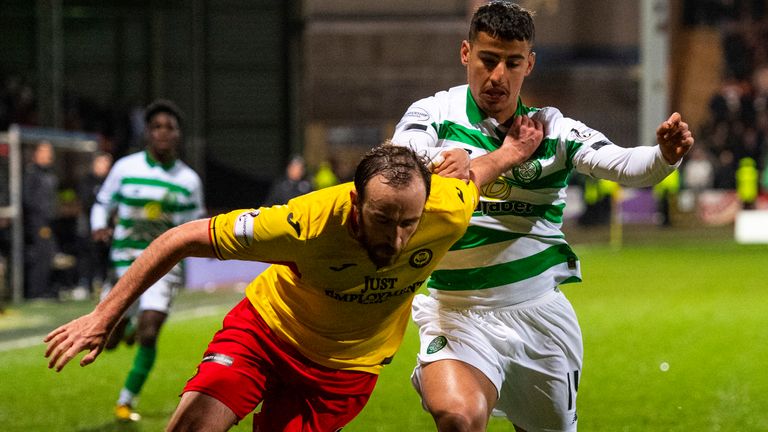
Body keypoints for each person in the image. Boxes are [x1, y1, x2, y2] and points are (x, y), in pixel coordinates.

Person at [44, 134, 543, 432]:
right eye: (381, 219)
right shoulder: (303, 223)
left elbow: (479, 171)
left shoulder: (446, 209)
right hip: (266, 332)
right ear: (353, 203)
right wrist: (103, 316)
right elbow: (179, 238)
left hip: (345, 368)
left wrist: (514, 148)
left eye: (407, 223)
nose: (395, 239)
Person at [390, 2, 695, 431]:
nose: (498, 75)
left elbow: (625, 164)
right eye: (488, 59)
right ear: (465, 53)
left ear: (529, 63)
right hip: (455, 312)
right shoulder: (434, 114)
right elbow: (404, 160)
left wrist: (665, 154)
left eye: (513, 63)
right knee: (458, 417)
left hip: (537, 315)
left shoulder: (552, 130)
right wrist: (483, 158)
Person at [89, 99, 205, 422]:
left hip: (162, 268)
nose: (163, 133)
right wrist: (99, 225)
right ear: (147, 133)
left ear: (179, 134)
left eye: (170, 127)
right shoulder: (125, 168)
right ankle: (124, 328)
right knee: (107, 343)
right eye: (157, 127)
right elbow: (101, 203)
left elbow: (193, 227)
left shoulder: (188, 181)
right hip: (123, 264)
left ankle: (125, 401)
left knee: (151, 331)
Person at [22, 140, 59, 300]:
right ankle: (36, 292)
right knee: (41, 255)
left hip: (48, 221)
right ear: (36, 154)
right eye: (44, 151)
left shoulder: (49, 173)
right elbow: (27, 198)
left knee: (48, 254)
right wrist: (40, 216)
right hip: (38, 222)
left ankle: (44, 290)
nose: (49, 155)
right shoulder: (31, 174)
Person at [75, 151, 113, 298]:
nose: (104, 167)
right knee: (87, 256)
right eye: (101, 163)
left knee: (104, 256)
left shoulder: (110, 182)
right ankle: (85, 284)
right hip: (88, 227)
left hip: (107, 228)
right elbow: (86, 202)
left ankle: (104, 283)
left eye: (107, 164)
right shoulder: (86, 181)